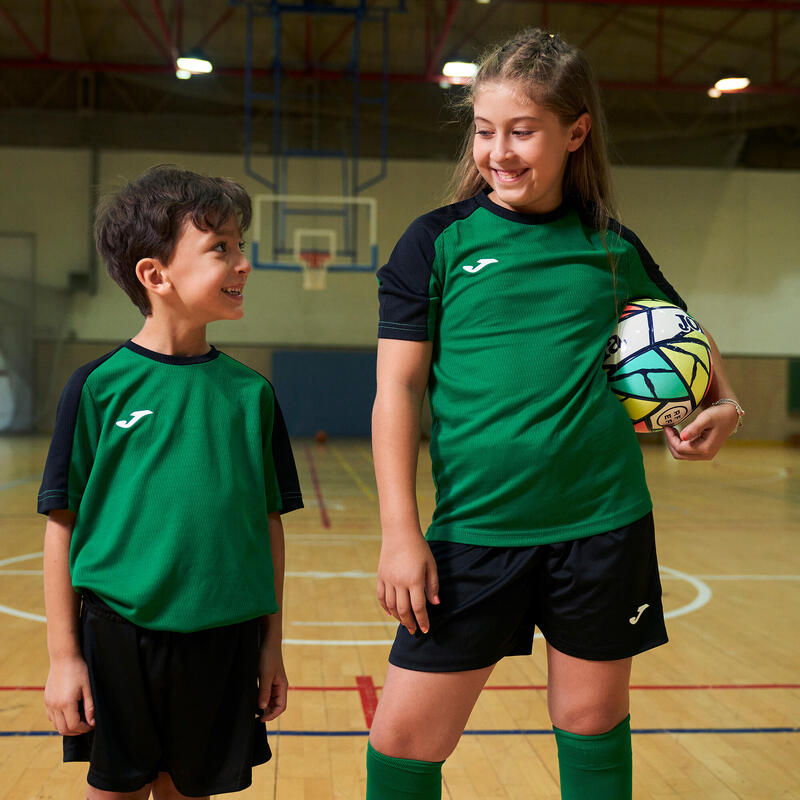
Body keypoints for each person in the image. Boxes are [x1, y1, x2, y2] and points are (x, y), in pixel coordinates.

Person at [368, 28, 743, 800]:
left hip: (601, 527)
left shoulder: (609, 246)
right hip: (474, 531)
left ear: (575, 132)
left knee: (590, 720)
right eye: (483, 131)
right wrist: (400, 533)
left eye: (521, 130)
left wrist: (724, 404)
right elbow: (396, 392)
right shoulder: (435, 244)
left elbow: (680, 333)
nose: (497, 152)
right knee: (404, 736)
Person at [38, 165, 303, 800]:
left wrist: (272, 643)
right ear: (155, 275)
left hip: (223, 640)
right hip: (117, 636)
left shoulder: (252, 395)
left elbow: (269, 526)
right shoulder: (97, 387)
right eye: (221, 249)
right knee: (117, 791)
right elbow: (62, 526)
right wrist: (64, 657)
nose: (242, 264)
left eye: (241, 247)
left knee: (191, 792)